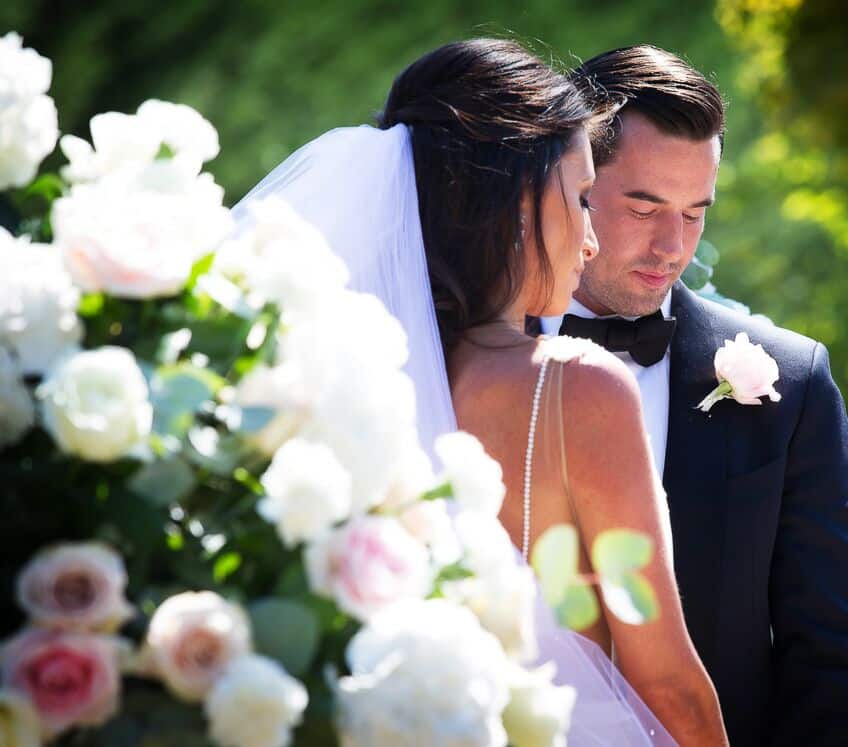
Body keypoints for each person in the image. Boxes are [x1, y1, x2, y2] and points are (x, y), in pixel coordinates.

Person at [236, 39, 727, 746]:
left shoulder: (336, 377)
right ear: (518, 202)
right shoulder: (578, 387)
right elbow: (667, 681)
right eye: (580, 198)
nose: (590, 240)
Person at [538, 45, 848, 745]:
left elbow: (835, 654)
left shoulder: (793, 382)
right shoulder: (463, 362)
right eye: (645, 206)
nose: (674, 246)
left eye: (696, 213)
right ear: (571, 185)